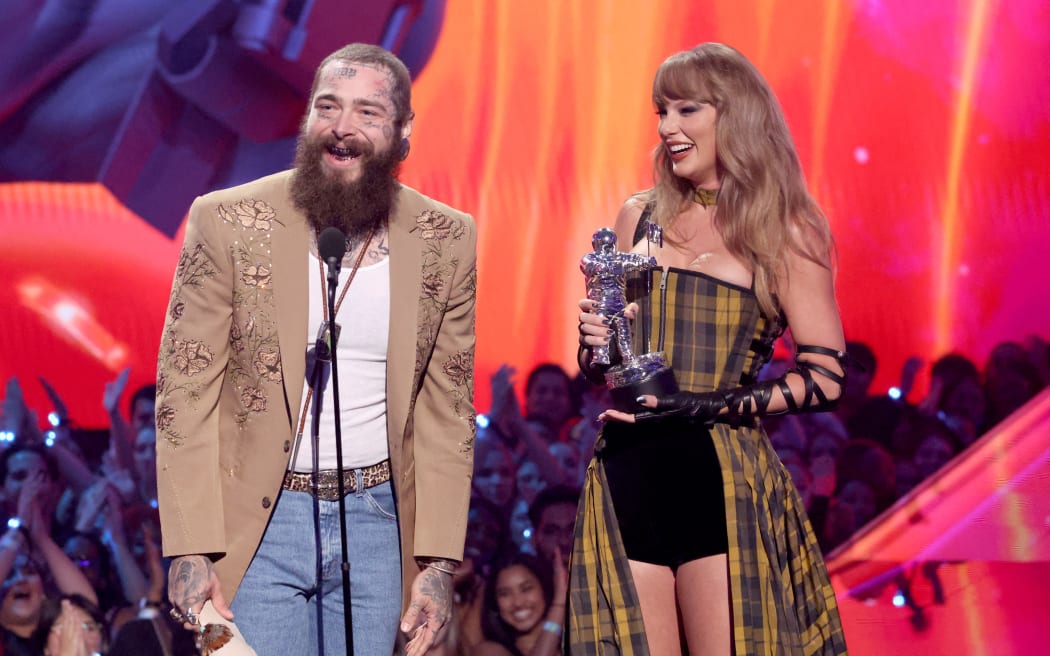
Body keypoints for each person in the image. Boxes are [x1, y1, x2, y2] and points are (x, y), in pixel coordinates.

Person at [155, 42, 477, 656]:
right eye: (327, 107)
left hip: (379, 523)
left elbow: (448, 412)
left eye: (367, 112)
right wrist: (189, 546)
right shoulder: (227, 220)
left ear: (404, 131)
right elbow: (184, 392)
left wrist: (437, 564)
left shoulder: (447, 238)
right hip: (259, 521)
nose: (342, 128)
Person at [572, 43, 849, 654]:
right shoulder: (636, 216)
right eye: (660, 112)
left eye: (686, 110)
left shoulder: (784, 227)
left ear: (735, 115)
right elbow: (602, 365)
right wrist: (594, 349)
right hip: (626, 473)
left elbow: (826, 377)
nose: (668, 128)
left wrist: (707, 405)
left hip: (719, 477)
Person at [474, 552, 567, 656]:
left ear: (543, 589)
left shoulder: (575, 641)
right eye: (505, 594)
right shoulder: (488, 651)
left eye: (526, 589)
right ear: (495, 602)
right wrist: (559, 604)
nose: (518, 603)